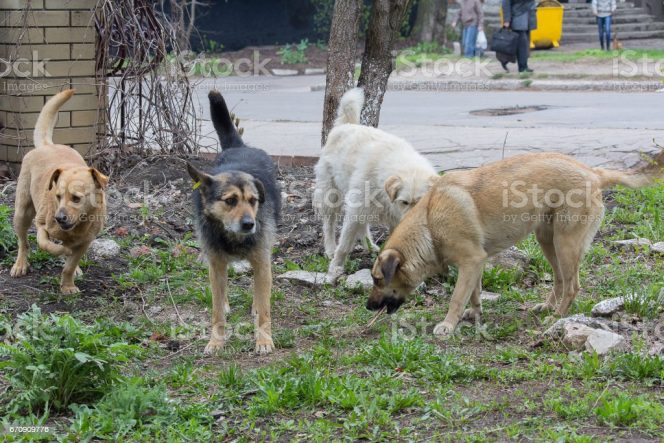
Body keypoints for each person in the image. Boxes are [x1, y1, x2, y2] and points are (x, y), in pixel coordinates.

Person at [502, 0, 537, 73]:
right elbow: (506, 3)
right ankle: (522, 67)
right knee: (522, 44)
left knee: (524, 44)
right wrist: (506, 20)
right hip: (518, 17)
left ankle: (508, 60)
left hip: (529, 16)